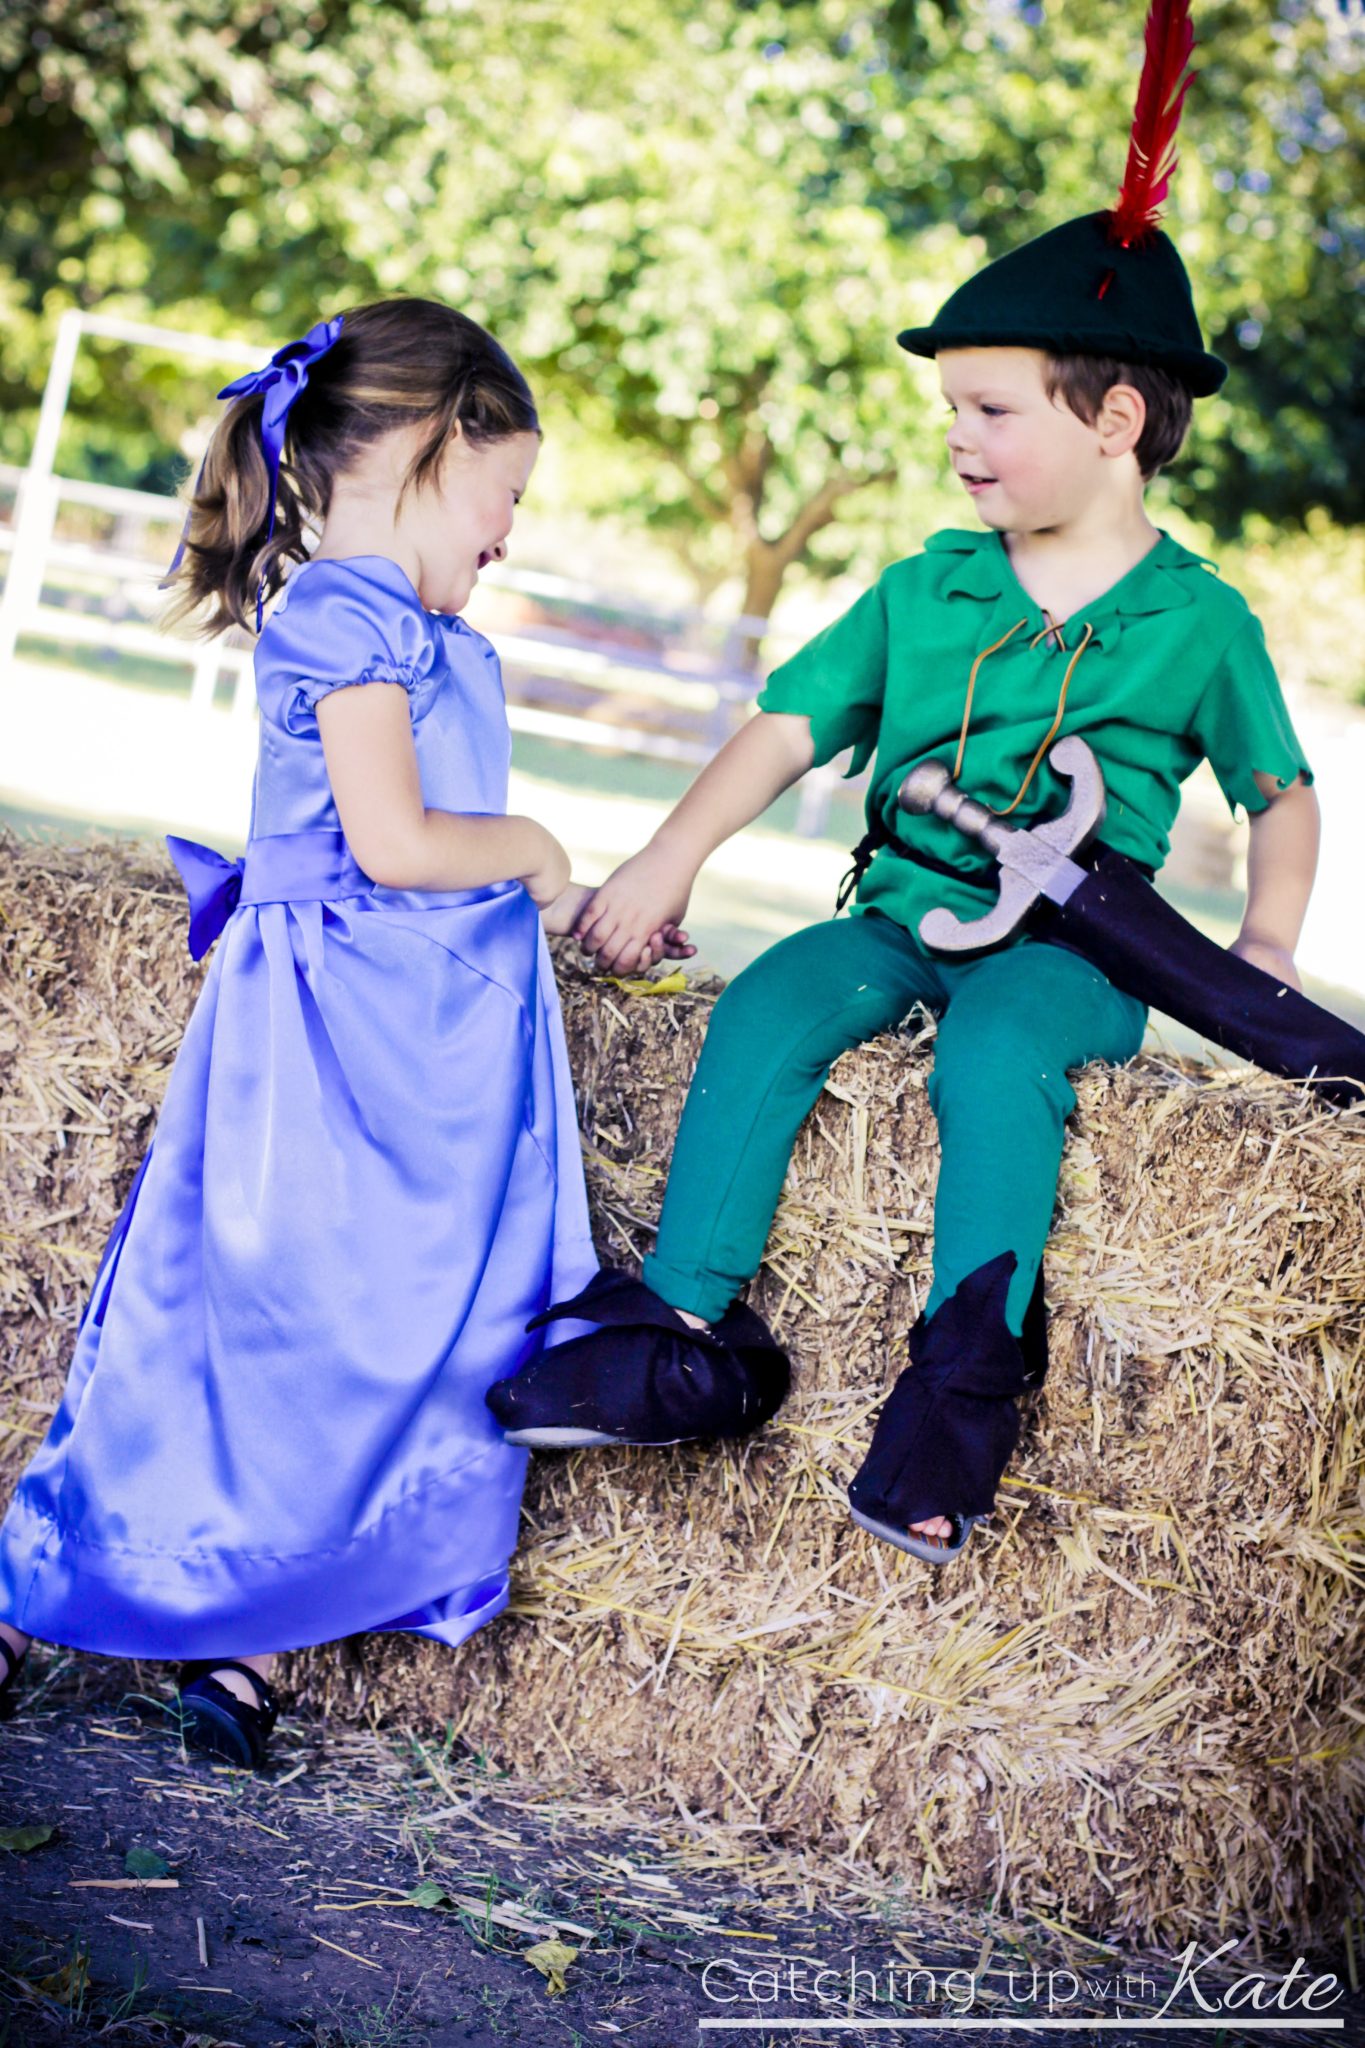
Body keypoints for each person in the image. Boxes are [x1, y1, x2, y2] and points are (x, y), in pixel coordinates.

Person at [485, 3, 1321, 1567]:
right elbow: (788, 730)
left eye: (989, 410)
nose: (957, 440)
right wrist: (666, 864)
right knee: (779, 997)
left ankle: (951, 1406)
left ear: (1116, 419)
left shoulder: (1199, 621)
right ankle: (672, 1326)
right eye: (952, 410)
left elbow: (1278, 795)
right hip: (901, 908)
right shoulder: (920, 593)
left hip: (1081, 955)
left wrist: (1264, 947)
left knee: (994, 1060)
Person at [0, 299, 686, 1761]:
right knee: (249, 1314)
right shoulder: (343, 610)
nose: (510, 532)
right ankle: (40, 1592)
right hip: (329, 1040)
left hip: (435, 1045)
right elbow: (389, 841)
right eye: (508, 496)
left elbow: (430, 851)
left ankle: (250, 1644)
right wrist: (538, 846)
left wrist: (559, 908)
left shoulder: (421, 628)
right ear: (440, 444)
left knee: (412, 1337)